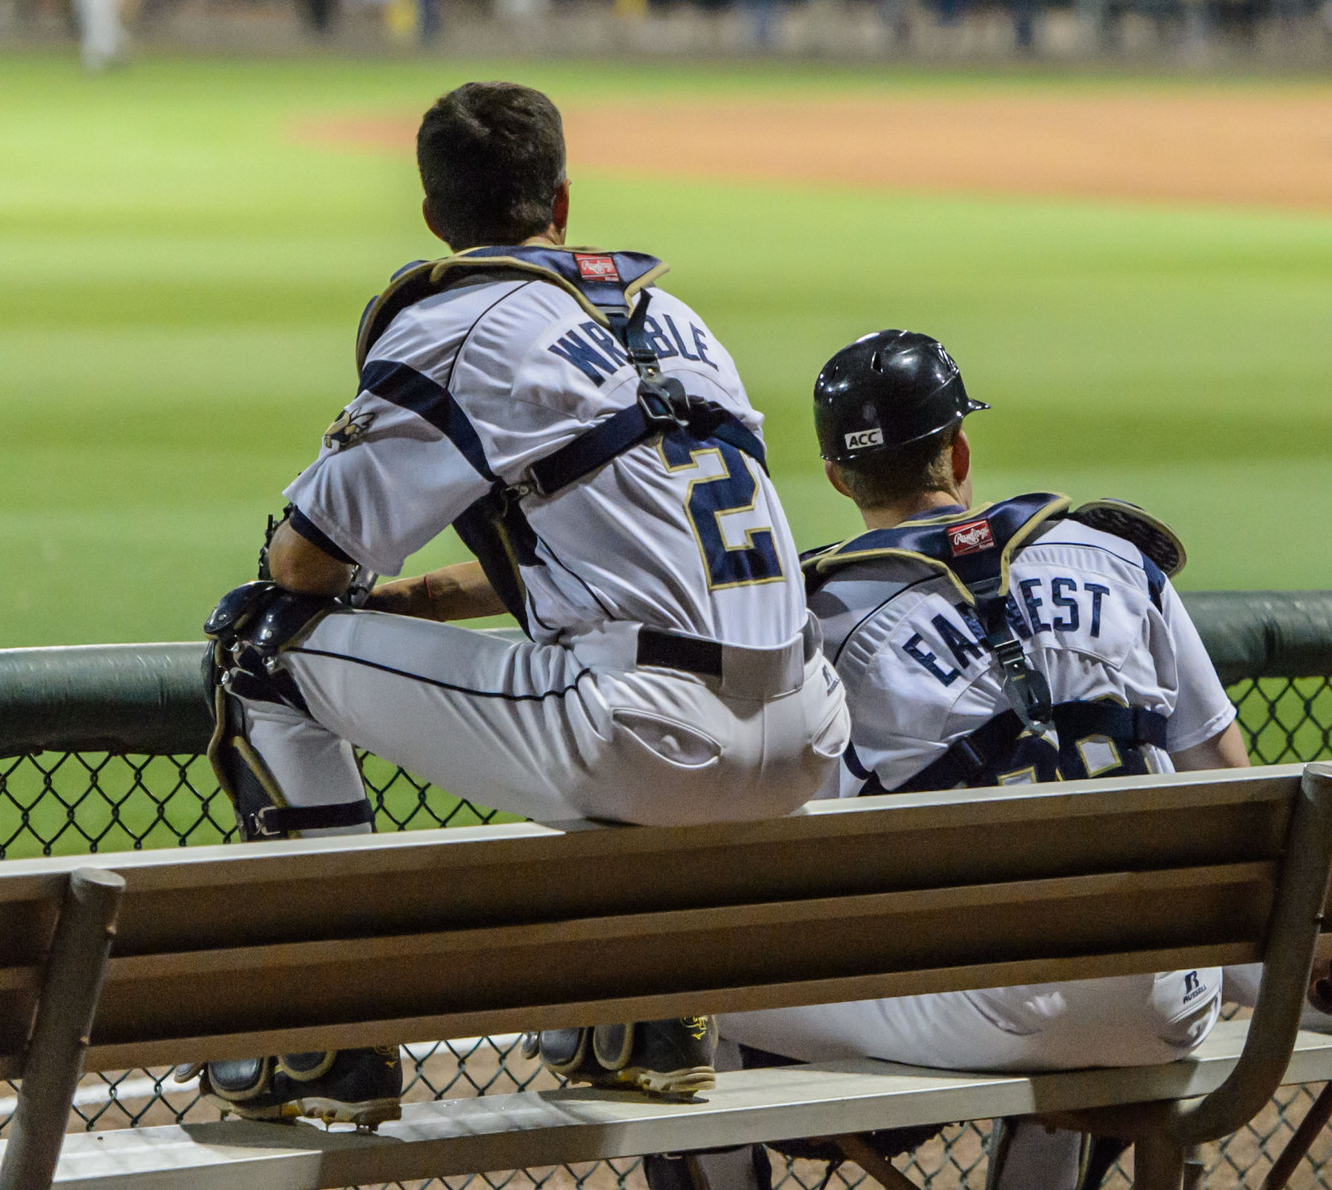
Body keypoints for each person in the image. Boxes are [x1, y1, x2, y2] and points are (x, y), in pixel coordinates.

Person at [197, 81, 851, 1124]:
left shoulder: (459, 320)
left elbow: (304, 567)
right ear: (563, 199)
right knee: (615, 659)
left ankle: (335, 1034)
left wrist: (360, 590)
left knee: (257, 644)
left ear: (430, 216)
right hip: (812, 730)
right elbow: (644, 546)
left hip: (652, 737)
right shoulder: (676, 319)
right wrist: (420, 603)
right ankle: (649, 1015)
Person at [678, 331, 1244, 1190]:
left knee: (673, 1009)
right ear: (961, 447)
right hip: (1179, 996)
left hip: (989, 1003)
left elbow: (787, 854)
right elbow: (1231, 782)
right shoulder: (1118, 558)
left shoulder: (820, 625)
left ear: (837, 477)